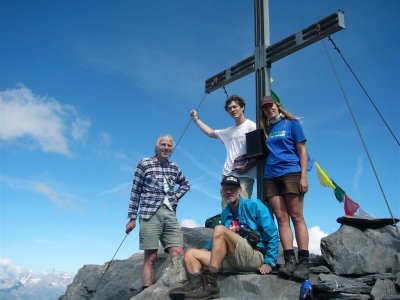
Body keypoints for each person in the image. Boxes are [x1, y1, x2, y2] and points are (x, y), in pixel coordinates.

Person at [169, 175, 278, 300]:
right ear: (222, 192)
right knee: (191, 254)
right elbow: (219, 238)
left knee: (220, 229)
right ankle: (197, 287)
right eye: (226, 189)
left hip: (253, 256)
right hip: (233, 259)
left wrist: (269, 262)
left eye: (233, 188)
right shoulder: (226, 212)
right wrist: (206, 248)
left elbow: (272, 234)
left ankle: (211, 285)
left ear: (240, 190)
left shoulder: (254, 205)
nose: (229, 192)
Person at [125, 135, 190, 290]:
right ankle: (146, 291)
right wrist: (132, 217)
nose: (166, 147)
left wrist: (174, 197)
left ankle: (176, 289)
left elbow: (186, 184)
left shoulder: (173, 167)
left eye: (169, 145)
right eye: (163, 144)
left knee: (178, 251)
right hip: (149, 213)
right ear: (157, 147)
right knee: (151, 256)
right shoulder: (145, 164)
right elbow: (135, 191)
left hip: (169, 212)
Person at [259, 96, 310, 281]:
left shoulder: (292, 124)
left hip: (291, 171)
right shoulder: (268, 129)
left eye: (270, 106)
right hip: (271, 175)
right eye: (265, 108)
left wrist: (303, 176)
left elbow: (302, 150)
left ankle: (303, 262)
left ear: (277, 105)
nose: (268, 109)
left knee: (296, 216)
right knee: (281, 218)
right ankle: (289, 260)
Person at [190, 95, 257, 209]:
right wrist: (196, 119)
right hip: (227, 174)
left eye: (235, 107)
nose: (232, 110)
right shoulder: (228, 131)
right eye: (229, 108)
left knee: (242, 208)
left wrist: (247, 166)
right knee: (226, 209)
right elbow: (211, 133)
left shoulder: (252, 126)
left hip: (244, 175)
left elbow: (259, 152)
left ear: (242, 107)